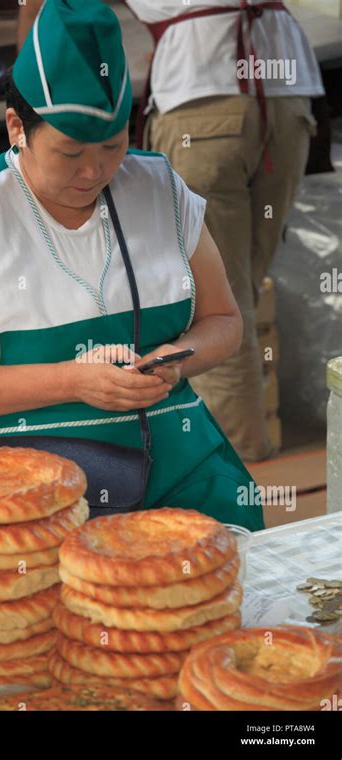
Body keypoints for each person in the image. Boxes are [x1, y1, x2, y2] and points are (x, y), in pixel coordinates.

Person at [0, 0, 264, 531]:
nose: (94, 171)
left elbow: (224, 322)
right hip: (11, 468)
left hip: (168, 455)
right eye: (69, 152)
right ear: (16, 126)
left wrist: (174, 362)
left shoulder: (159, 189)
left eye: (113, 146)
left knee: (225, 540)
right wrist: (73, 381)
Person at [126, 0, 324, 461]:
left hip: (200, 100)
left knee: (216, 308)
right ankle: (251, 460)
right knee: (242, 296)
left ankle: (240, 478)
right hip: (287, 100)